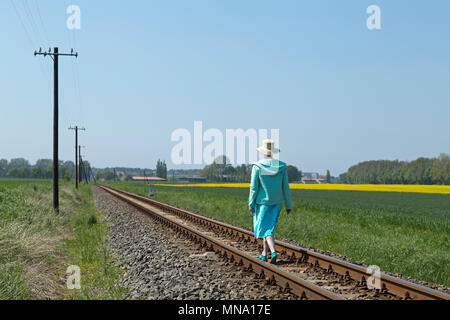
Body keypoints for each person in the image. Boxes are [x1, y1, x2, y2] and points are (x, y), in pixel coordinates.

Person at [248, 139, 292, 264]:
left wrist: (251, 204)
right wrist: (288, 204)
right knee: (268, 227)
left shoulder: (257, 167)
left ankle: (273, 252)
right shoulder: (281, 167)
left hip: (262, 203)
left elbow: (253, 188)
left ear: (263, 152)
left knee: (266, 229)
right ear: (273, 152)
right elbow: (285, 187)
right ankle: (264, 253)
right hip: (277, 202)